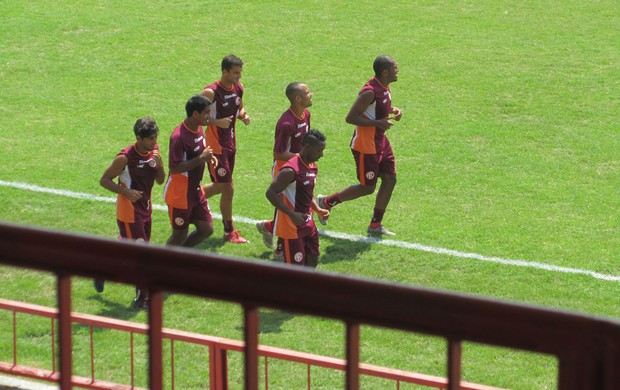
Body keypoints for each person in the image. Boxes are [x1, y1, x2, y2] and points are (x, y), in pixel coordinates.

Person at [317, 55, 402, 236]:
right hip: (366, 145)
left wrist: (393, 110)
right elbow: (351, 117)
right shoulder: (369, 92)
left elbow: (377, 109)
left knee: (390, 179)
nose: (398, 70)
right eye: (395, 67)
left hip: (380, 142)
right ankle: (326, 202)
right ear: (385, 72)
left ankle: (375, 225)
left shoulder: (384, 87)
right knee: (367, 187)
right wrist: (378, 123)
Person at [97, 116, 166, 310]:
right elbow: (104, 180)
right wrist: (125, 192)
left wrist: (160, 165)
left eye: (156, 137)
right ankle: (141, 299)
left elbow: (160, 180)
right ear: (138, 137)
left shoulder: (155, 152)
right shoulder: (125, 158)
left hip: (146, 210)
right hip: (129, 214)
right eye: (151, 139)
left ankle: (102, 268)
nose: (154, 142)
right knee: (141, 256)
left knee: (135, 252)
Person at [256, 82, 320, 249]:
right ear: (298, 98)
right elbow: (278, 153)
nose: (311, 94)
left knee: (294, 206)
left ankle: (269, 228)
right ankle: (279, 248)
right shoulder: (286, 123)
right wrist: (301, 158)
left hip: (299, 166)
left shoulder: (306, 114)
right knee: (287, 208)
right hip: (284, 169)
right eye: (307, 92)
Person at [200, 54, 251, 243]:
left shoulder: (238, 88)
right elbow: (194, 116)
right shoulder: (210, 93)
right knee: (228, 188)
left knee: (221, 186)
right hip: (215, 147)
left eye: (240, 73)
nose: (239, 76)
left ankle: (189, 198)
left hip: (230, 144)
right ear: (224, 72)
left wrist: (243, 116)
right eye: (236, 73)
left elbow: (239, 109)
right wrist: (215, 122)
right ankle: (229, 231)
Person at [265, 129, 329, 267]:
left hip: (308, 224)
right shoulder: (290, 170)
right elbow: (270, 193)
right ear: (307, 147)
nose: (322, 154)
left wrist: (317, 209)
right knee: (295, 270)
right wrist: (291, 214)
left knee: (312, 262)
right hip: (291, 228)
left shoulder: (312, 166)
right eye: (319, 150)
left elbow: (305, 194)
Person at [164, 95, 217, 249]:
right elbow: (174, 168)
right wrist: (201, 158)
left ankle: (180, 255)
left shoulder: (198, 127)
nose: (210, 115)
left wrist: (208, 157)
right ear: (195, 114)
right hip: (180, 194)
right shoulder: (179, 137)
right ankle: (161, 263)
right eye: (207, 112)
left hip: (195, 191)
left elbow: (198, 151)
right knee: (179, 235)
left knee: (206, 229)